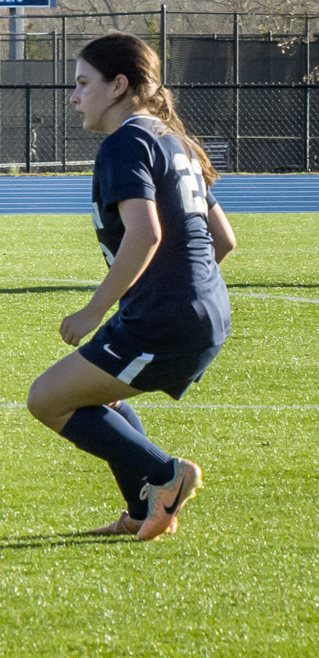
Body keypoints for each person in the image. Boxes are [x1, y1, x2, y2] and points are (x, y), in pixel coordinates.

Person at [26, 32, 236, 541]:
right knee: (103, 397)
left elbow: (146, 233)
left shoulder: (126, 142)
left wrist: (95, 310)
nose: (74, 96)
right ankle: (143, 511)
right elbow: (223, 240)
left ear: (118, 86)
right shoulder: (171, 139)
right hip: (198, 309)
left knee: (46, 400)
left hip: (166, 317)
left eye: (82, 83)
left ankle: (167, 474)